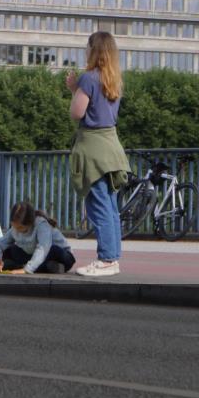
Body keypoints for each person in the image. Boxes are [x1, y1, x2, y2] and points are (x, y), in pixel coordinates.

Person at [66, 31, 130, 278]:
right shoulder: (114, 79)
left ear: (94, 50)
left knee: (99, 206)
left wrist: (74, 89)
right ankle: (113, 257)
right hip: (112, 146)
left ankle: (106, 259)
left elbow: (77, 113)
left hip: (92, 148)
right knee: (111, 207)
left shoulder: (89, 78)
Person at [0, 202, 75, 274]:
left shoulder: (41, 225)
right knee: (11, 250)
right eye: (14, 227)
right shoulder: (15, 229)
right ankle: (47, 267)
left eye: (20, 228)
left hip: (60, 255)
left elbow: (42, 250)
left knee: (52, 250)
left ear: (30, 223)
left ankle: (30, 266)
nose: (17, 231)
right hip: (34, 255)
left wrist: (26, 270)